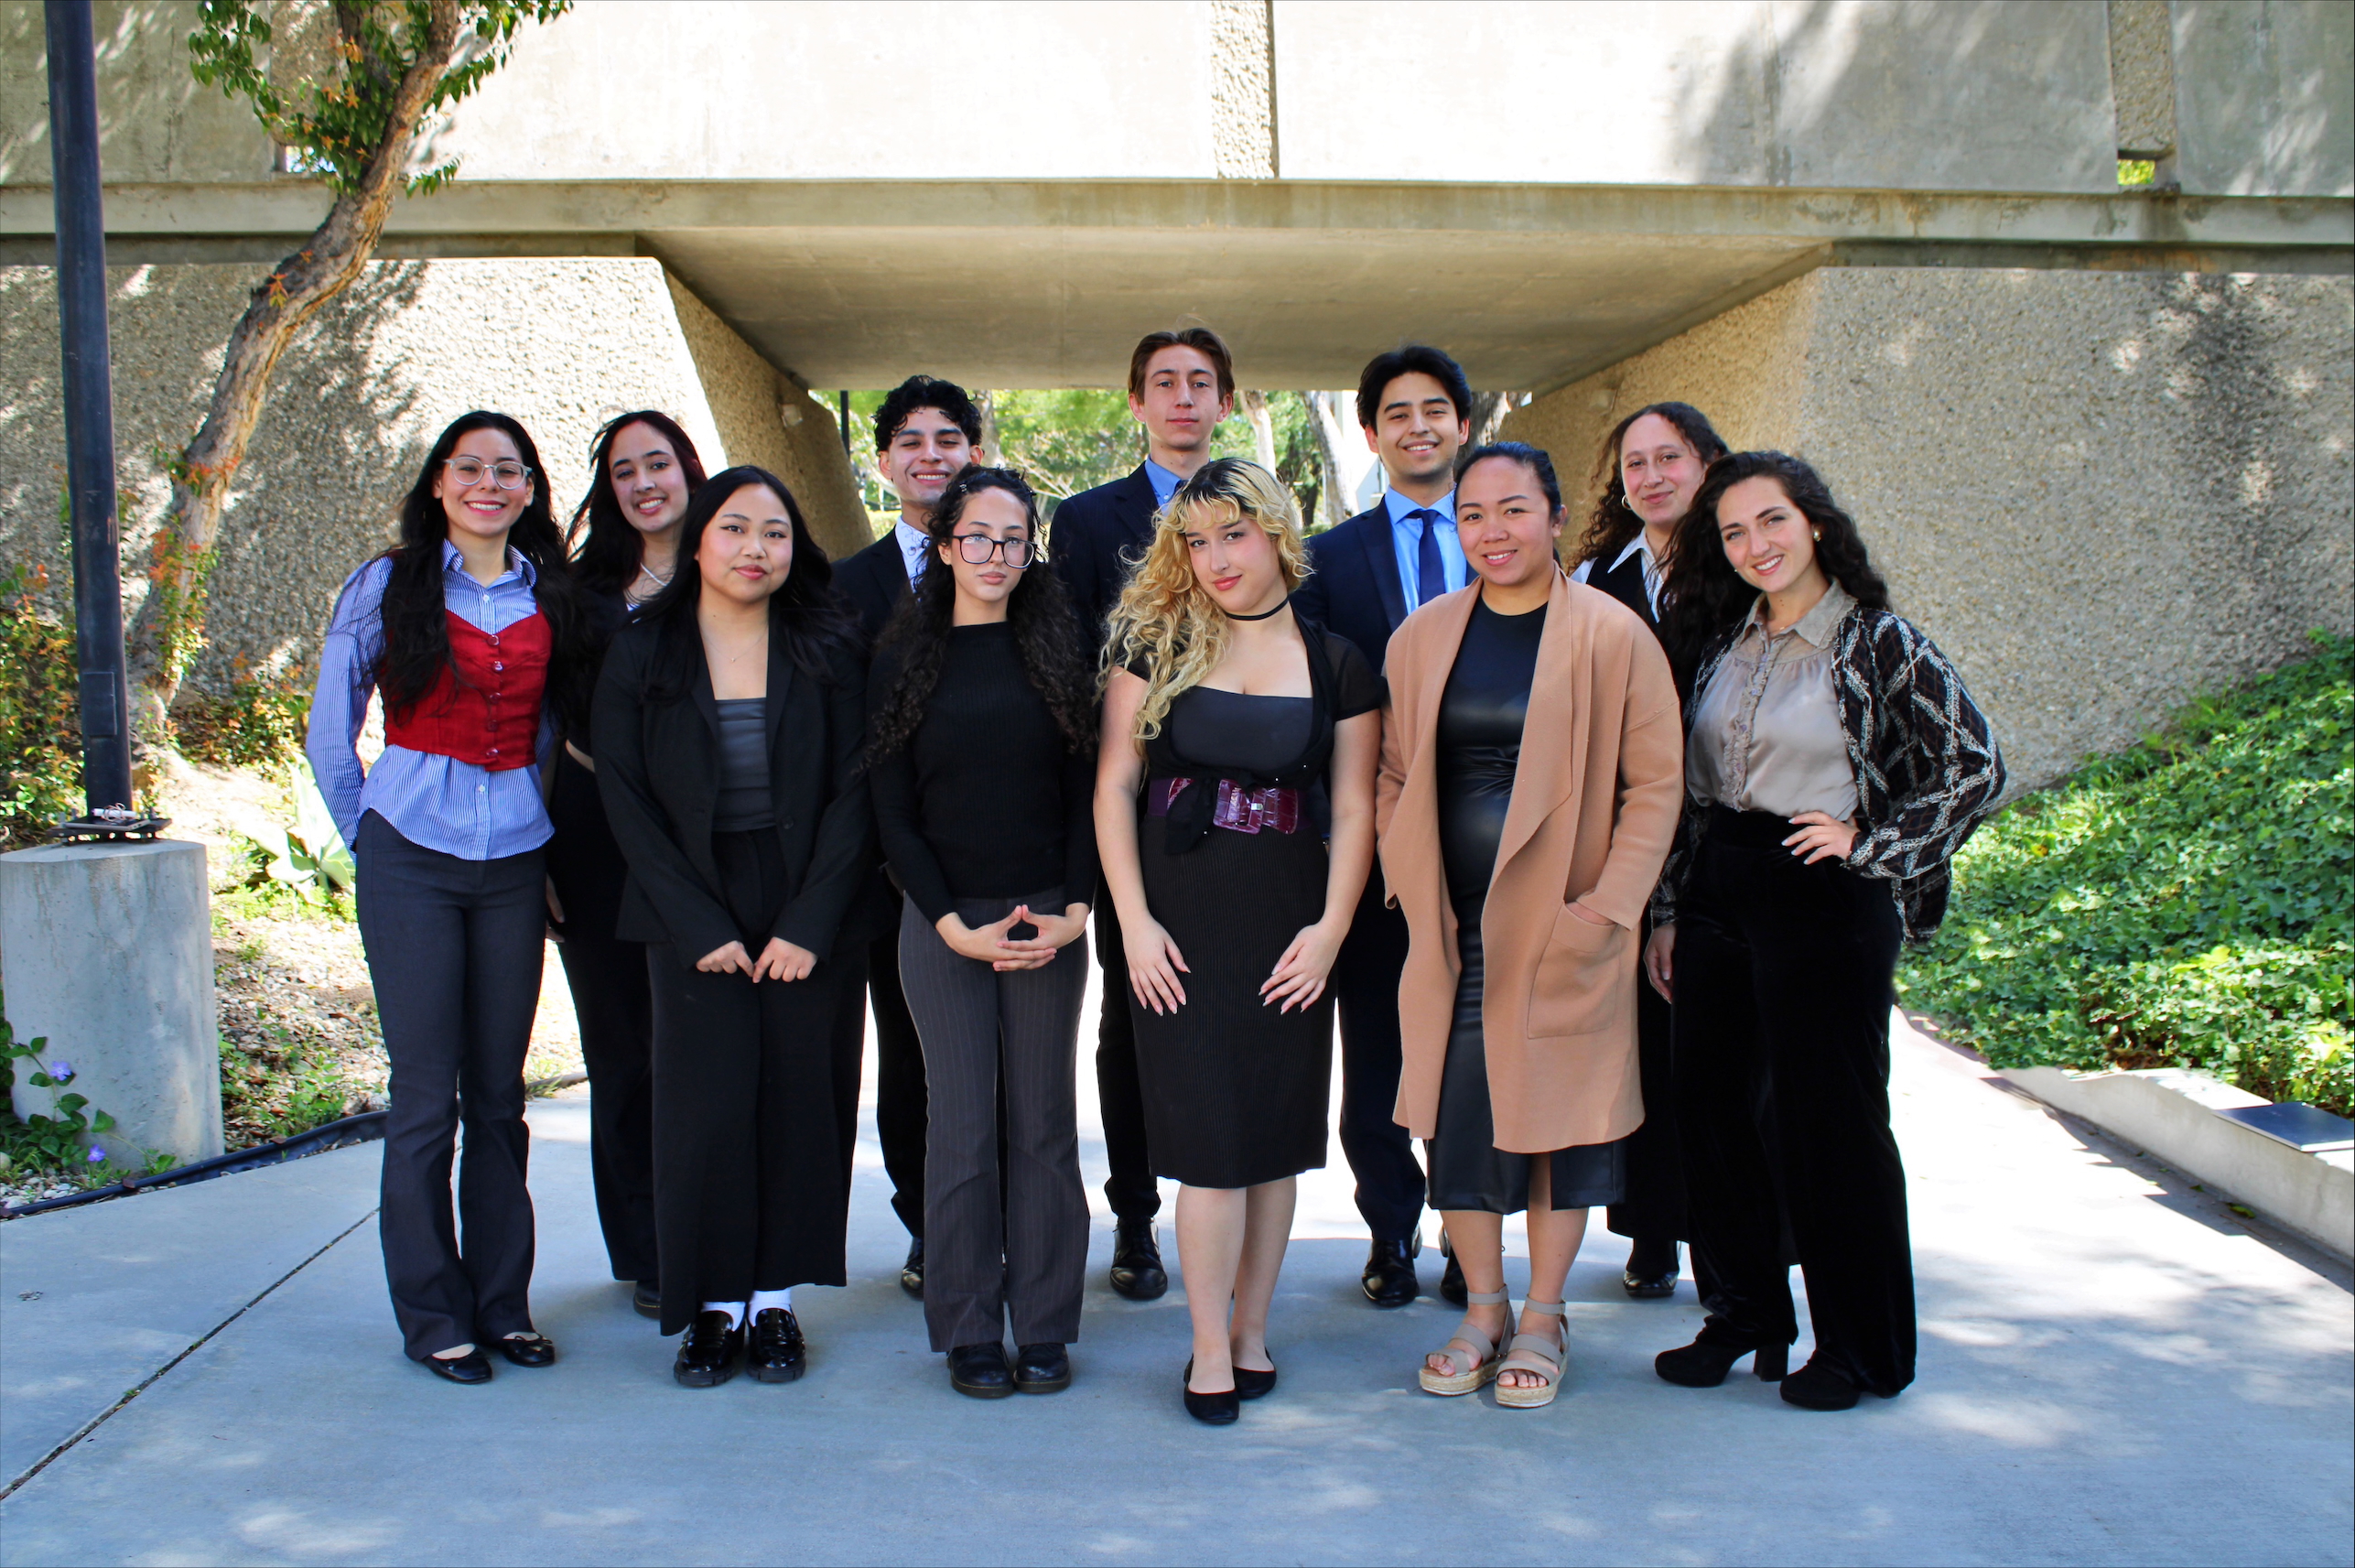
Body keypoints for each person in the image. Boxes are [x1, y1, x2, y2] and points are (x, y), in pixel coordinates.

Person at [1649, 450, 2005, 1411]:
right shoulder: (1725, 638)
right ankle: (1744, 1314)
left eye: (1769, 521)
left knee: (1829, 1127)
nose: (1753, 544)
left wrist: (1873, 840)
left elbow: (1972, 764)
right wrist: (1671, 910)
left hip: (1819, 890)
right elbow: (1689, 795)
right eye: (1731, 531)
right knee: (1710, 1112)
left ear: (1812, 521)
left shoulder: (1877, 641)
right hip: (1719, 882)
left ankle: (1860, 1347)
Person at [1376, 442, 1681, 1410]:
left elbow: (1655, 786)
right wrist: (1404, 871)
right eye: (1471, 515)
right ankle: (1482, 1306)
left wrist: (1605, 910)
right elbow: (1390, 774)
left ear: (1553, 518)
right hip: (1450, 929)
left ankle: (1545, 1314)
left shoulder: (1609, 633)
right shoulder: (1422, 636)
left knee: (1556, 1124)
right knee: (1458, 1122)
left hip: (1563, 926)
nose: (1491, 532)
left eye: (1512, 510)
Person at [1095, 458, 1382, 1424]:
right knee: (1210, 1149)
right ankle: (1207, 1348)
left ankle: (1253, 1330)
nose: (1215, 558)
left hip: (1287, 920)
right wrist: (1132, 924)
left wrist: (1329, 932)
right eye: (1196, 539)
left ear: (1276, 534)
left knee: (1270, 1144)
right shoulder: (1154, 640)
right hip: (1176, 924)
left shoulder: (1337, 660)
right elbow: (1112, 791)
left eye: (1234, 534)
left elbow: (1351, 808)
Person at [308, 410, 593, 1384]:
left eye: (508, 471)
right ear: (438, 483)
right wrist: (368, 837)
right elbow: (328, 729)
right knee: (426, 1097)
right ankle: (434, 1313)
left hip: (512, 857)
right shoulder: (386, 584)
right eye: (469, 468)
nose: (489, 484)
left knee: (501, 1096)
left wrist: (547, 843)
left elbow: (553, 732)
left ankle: (503, 1305)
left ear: (528, 490)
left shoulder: (544, 589)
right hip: (412, 857)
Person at [594, 466, 873, 1389]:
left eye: (776, 532)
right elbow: (624, 798)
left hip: (803, 898)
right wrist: (695, 921)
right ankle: (711, 1307)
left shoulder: (827, 644)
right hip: (691, 903)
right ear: (701, 538)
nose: (756, 549)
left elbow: (854, 789)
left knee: (802, 1100)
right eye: (736, 529)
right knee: (704, 1109)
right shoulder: (642, 648)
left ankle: (775, 1304)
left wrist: (810, 920)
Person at [868, 467, 1099, 1400]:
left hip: (1047, 909)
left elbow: (1091, 790)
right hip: (944, 921)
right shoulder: (902, 657)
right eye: (977, 537)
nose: (995, 555)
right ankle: (967, 1324)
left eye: (1012, 539)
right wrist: (951, 925)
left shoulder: (1060, 648)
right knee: (961, 1126)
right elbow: (891, 814)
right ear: (944, 544)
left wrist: (1076, 905)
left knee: (1041, 1125)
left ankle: (1043, 1325)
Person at [1049, 325, 1240, 1302]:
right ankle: (1134, 1219)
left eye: (1198, 383)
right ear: (1135, 403)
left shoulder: (1256, 510)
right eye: (1162, 383)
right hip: (1137, 802)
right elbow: (1078, 670)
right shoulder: (1085, 523)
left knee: (1226, 1012)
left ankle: (1231, 1204)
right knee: (1132, 1017)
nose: (1180, 399)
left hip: (1245, 811)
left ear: (1224, 401)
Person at [1291, 344, 1473, 1309]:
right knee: (1374, 1064)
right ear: (1370, 434)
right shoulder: (1325, 561)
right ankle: (1389, 1233)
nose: (1416, 426)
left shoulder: (1506, 551)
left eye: (1433, 409)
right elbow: (1316, 709)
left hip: (1484, 852)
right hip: (1369, 848)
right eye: (1395, 413)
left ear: (1463, 425)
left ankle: (1463, 1226)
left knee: (1466, 1052)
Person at [1565, 401, 1731, 1300]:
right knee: (1643, 1048)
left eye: (1669, 458)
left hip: (1722, 844)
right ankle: (1649, 1234)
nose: (1651, 476)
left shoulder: (1742, 570)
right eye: (1634, 463)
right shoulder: (1594, 577)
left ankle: (1722, 1240)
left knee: (1719, 1057)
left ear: (1707, 466)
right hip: (1629, 849)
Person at [549, 408, 708, 1322]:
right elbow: (542, 724)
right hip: (594, 827)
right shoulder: (579, 592)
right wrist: (538, 848)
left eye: (658, 463)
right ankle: (645, 1248)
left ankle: (706, 1227)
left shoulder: (733, 569)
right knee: (622, 1046)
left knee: (699, 1039)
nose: (644, 482)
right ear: (608, 490)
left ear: (689, 469)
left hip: (705, 836)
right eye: (623, 471)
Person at [832, 374, 988, 1299]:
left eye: (949, 439)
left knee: (1001, 1058)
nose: (931, 456)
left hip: (1001, 859)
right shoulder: (843, 587)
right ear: (884, 460)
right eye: (911, 442)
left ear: (974, 453)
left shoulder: (1012, 572)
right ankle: (929, 1224)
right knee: (910, 1053)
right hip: (885, 866)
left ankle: (997, 1217)